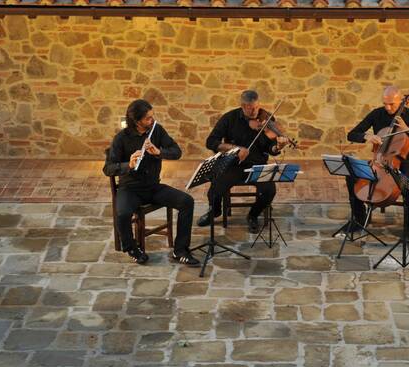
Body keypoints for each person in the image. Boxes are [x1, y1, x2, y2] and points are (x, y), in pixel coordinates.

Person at [103, 99, 199, 267]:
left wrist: (159, 152)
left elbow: (177, 152)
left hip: (153, 187)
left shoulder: (157, 130)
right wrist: (128, 165)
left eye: (152, 116)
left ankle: (180, 250)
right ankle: (132, 248)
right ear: (136, 121)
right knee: (123, 213)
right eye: (148, 118)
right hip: (130, 189)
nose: (152, 120)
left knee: (187, 202)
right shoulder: (121, 138)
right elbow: (108, 168)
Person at [346, 86, 409, 239]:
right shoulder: (377, 114)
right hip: (379, 160)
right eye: (385, 103)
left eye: (391, 104)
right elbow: (351, 134)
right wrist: (367, 137)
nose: (387, 107)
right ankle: (359, 218)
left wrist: (407, 130)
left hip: (403, 162)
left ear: (401, 101)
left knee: (407, 184)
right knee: (351, 175)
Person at [198, 90, 289, 233]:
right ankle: (215, 212)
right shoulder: (229, 118)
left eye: (257, 107)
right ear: (242, 106)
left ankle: (253, 215)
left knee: (269, 191)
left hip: (257, 165)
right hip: (233, 165)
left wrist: (278, 147)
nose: (254, 111)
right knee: (215, 189)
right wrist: (234, 148)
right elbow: (211, 142)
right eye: (250, 108)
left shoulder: (266, 119)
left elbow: (269, 148)